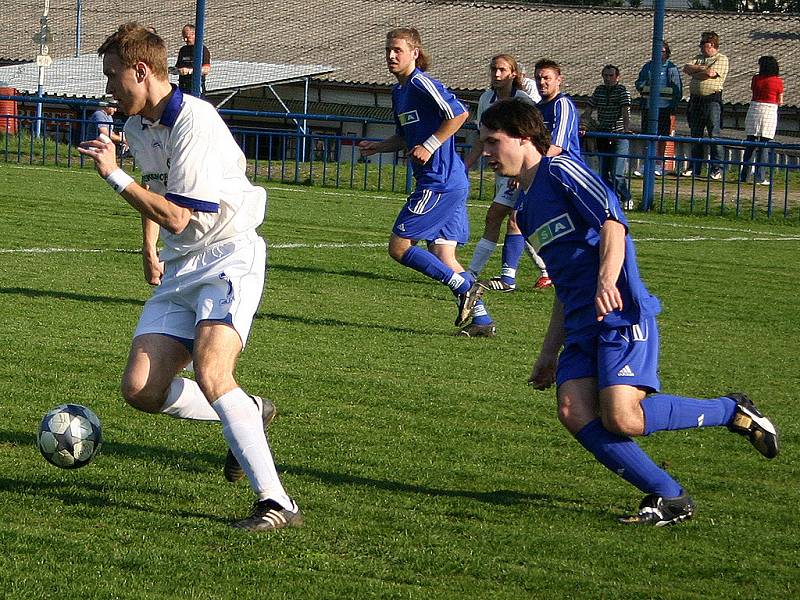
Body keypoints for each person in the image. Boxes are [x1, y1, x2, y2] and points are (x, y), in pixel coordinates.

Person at [478, 98, 779, 526]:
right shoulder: (524, 208)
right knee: (572, 410)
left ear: (523, 136)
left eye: (493, 141)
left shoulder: (562, 170)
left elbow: (612, 221)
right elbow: (563, 284)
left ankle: (730, 411)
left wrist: (606, 281)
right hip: (580, 323)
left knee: (622, 417)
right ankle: (669, 496)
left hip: (619, 313)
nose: (485, 152)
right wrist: (548, 352)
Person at [77, 22, 301, 532]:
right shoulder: (136, 126)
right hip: (181, 266)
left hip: (228, 257)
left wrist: (115, 175)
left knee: (211, 371)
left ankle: (276, 503)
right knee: (141, 389)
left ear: (141, 71)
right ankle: (248, 411)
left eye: (113, 76)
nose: (109, 87)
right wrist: (149, 247)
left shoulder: (195, 122)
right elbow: (159, 202)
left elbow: (180, 214)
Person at [358, 28, 484, 335]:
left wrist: (429, 145)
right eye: (388, 50)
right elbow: (404, 136)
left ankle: (464, 288)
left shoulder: (421, 83)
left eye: (398, 50)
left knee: (399, 247)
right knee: (444, 255)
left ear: (415, 53)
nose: (391, 55)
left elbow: (459, 114)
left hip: (438, 182)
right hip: (445, 182)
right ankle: (482, 320)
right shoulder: (398, 92)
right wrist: (377, 146)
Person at [462, 54, 548, 328]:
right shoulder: (487, 98)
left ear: (513, 74)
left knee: (504, 217)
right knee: (518, 221)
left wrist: (521, 170)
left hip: (519, 171)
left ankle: (492, 275)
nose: (496, 74)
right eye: (493, 69)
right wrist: (466, 165)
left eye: (502, 70)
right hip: (505, 170)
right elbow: (481, 137)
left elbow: (531, 136)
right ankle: (545, 270)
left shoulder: (523, 101)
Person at [582, 65, 633, 210]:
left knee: (616, 172)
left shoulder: (622, 91)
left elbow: (625, 110)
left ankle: (626, 197)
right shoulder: (599, 90)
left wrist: (626, 129)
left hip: (618, 135)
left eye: (611, 76)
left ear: (617, 77)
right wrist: (583, 124)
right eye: (605, 75)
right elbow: (588, 109)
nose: (608, 78)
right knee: (603, 173)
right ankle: (611, 199)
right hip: (602, 133)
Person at [683, 31, 729, 180]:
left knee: (714, 134)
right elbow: (686, 68)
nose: (701, 47)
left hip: (712, 101)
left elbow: (710, 73)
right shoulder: (698, 58)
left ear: (712, 45)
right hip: (696, 100)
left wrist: (697, 72)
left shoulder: (721, 59)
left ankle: (717, 168)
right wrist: (702, 69)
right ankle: (694, 166)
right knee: (695, 134)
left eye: (704, 44)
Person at [634, 40, 682, 177]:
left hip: (664, 108)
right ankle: (645, 163)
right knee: (647, 136)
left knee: (661, 137)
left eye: (662, 51)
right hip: (649, 107)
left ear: (667, 53)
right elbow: (639, 83)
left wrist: (670, 98)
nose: (659, 54)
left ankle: (659, 164)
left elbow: (677, 90)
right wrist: (644, 86)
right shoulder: (648, 67)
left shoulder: (671, 68)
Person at [740, 56, 784, 185]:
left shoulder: (756, 78)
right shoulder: (777, 81)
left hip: (754, 108)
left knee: (750, 143)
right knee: (764, 145)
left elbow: (753, 90)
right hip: (769, 110)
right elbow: (780, 100)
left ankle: (744, 176)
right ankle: (760, 177)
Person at [170, 24, 211, 95]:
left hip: (196, 87)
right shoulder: (183, 50)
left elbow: (206, 70)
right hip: (183, 87)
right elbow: (177, 67)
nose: (185, 40)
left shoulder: (202, 49)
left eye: (187, 37)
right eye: (184, 37)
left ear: (194, 35)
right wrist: (174, 70)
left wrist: (189, 71)